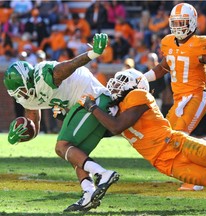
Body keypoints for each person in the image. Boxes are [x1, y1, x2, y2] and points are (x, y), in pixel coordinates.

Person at [80, 69, 206, 197]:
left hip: (176, 144)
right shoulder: (115, 110)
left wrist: (92, 108)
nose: (117, 84)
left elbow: (116, 127)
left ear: (136, 86)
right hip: (166, 163)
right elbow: (105, 129)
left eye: (123, 80)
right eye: (118, 80)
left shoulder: (138, 96)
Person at [3, 33, 119, 212]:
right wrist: (20, 136)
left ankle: (103, 174)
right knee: (75, 153)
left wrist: (93, 54)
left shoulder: (42, 76)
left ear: (28, 79)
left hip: (93, 99)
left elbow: (69, 66)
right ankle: (88, 192)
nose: (21, 95)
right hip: (84, 105)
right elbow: (34, 125)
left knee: (61, 146)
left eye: (21, 89)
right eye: (16, 93)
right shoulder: (26, 97)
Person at [143, 2, 206, 191]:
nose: (179, 26)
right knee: (167, 141)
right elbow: (163, 67)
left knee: (179, 138)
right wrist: (142, 79)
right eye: (176, 22)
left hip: (196, 97)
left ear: (193, 23)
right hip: (179, 100)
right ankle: (204, 144)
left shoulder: (201, 44)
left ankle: (197, 179)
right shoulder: (168, 42)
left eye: (183, 22)